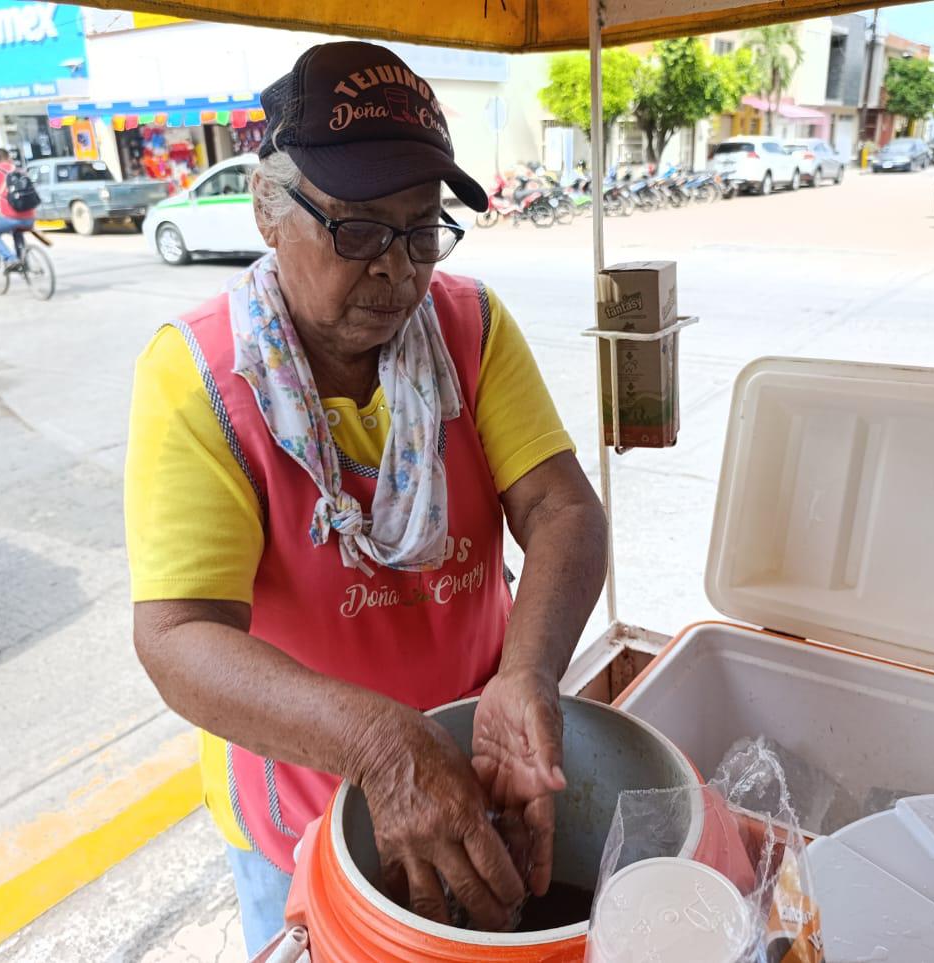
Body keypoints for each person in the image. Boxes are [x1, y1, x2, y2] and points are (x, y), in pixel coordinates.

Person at [125, 41, 608, 956]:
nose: (397, 271)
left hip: (482, 765)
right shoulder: (199, 378)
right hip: (309, 815)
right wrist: (384, 747)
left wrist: (528, 675)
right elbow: (177, 634)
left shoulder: (471, 328)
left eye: (421, 228)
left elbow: (562, 512)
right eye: (357, 231)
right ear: (271, 212)